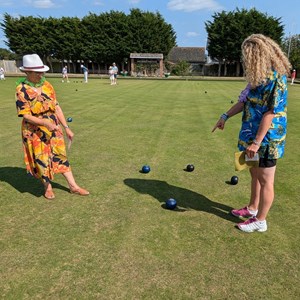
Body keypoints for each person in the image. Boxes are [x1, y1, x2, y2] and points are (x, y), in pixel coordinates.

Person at [212, 34, 291, 233]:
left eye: (248, 56)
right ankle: (252, 208)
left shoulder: (277, 79)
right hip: (251, 135)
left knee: (266, 179)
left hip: (267, 139)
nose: (246, 60)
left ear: (258, 55)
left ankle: (261, 221)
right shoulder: (257, 77)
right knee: (254, 172)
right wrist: (225, 116)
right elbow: (244, 101)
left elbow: (270, 113)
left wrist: (256, 142)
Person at [16, 54, 89, 199]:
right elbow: (25, 115)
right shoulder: (21, 89)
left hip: (53, 126)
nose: (41, 75)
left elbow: (56, 107)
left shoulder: (48, 86)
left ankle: (73, 186)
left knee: (60, 155)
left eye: (42, 71)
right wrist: (44, 123)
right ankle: (47, 187)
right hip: (34, 129)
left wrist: (66, 127)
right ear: (27, 72)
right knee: (42, 158)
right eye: (37, 72)